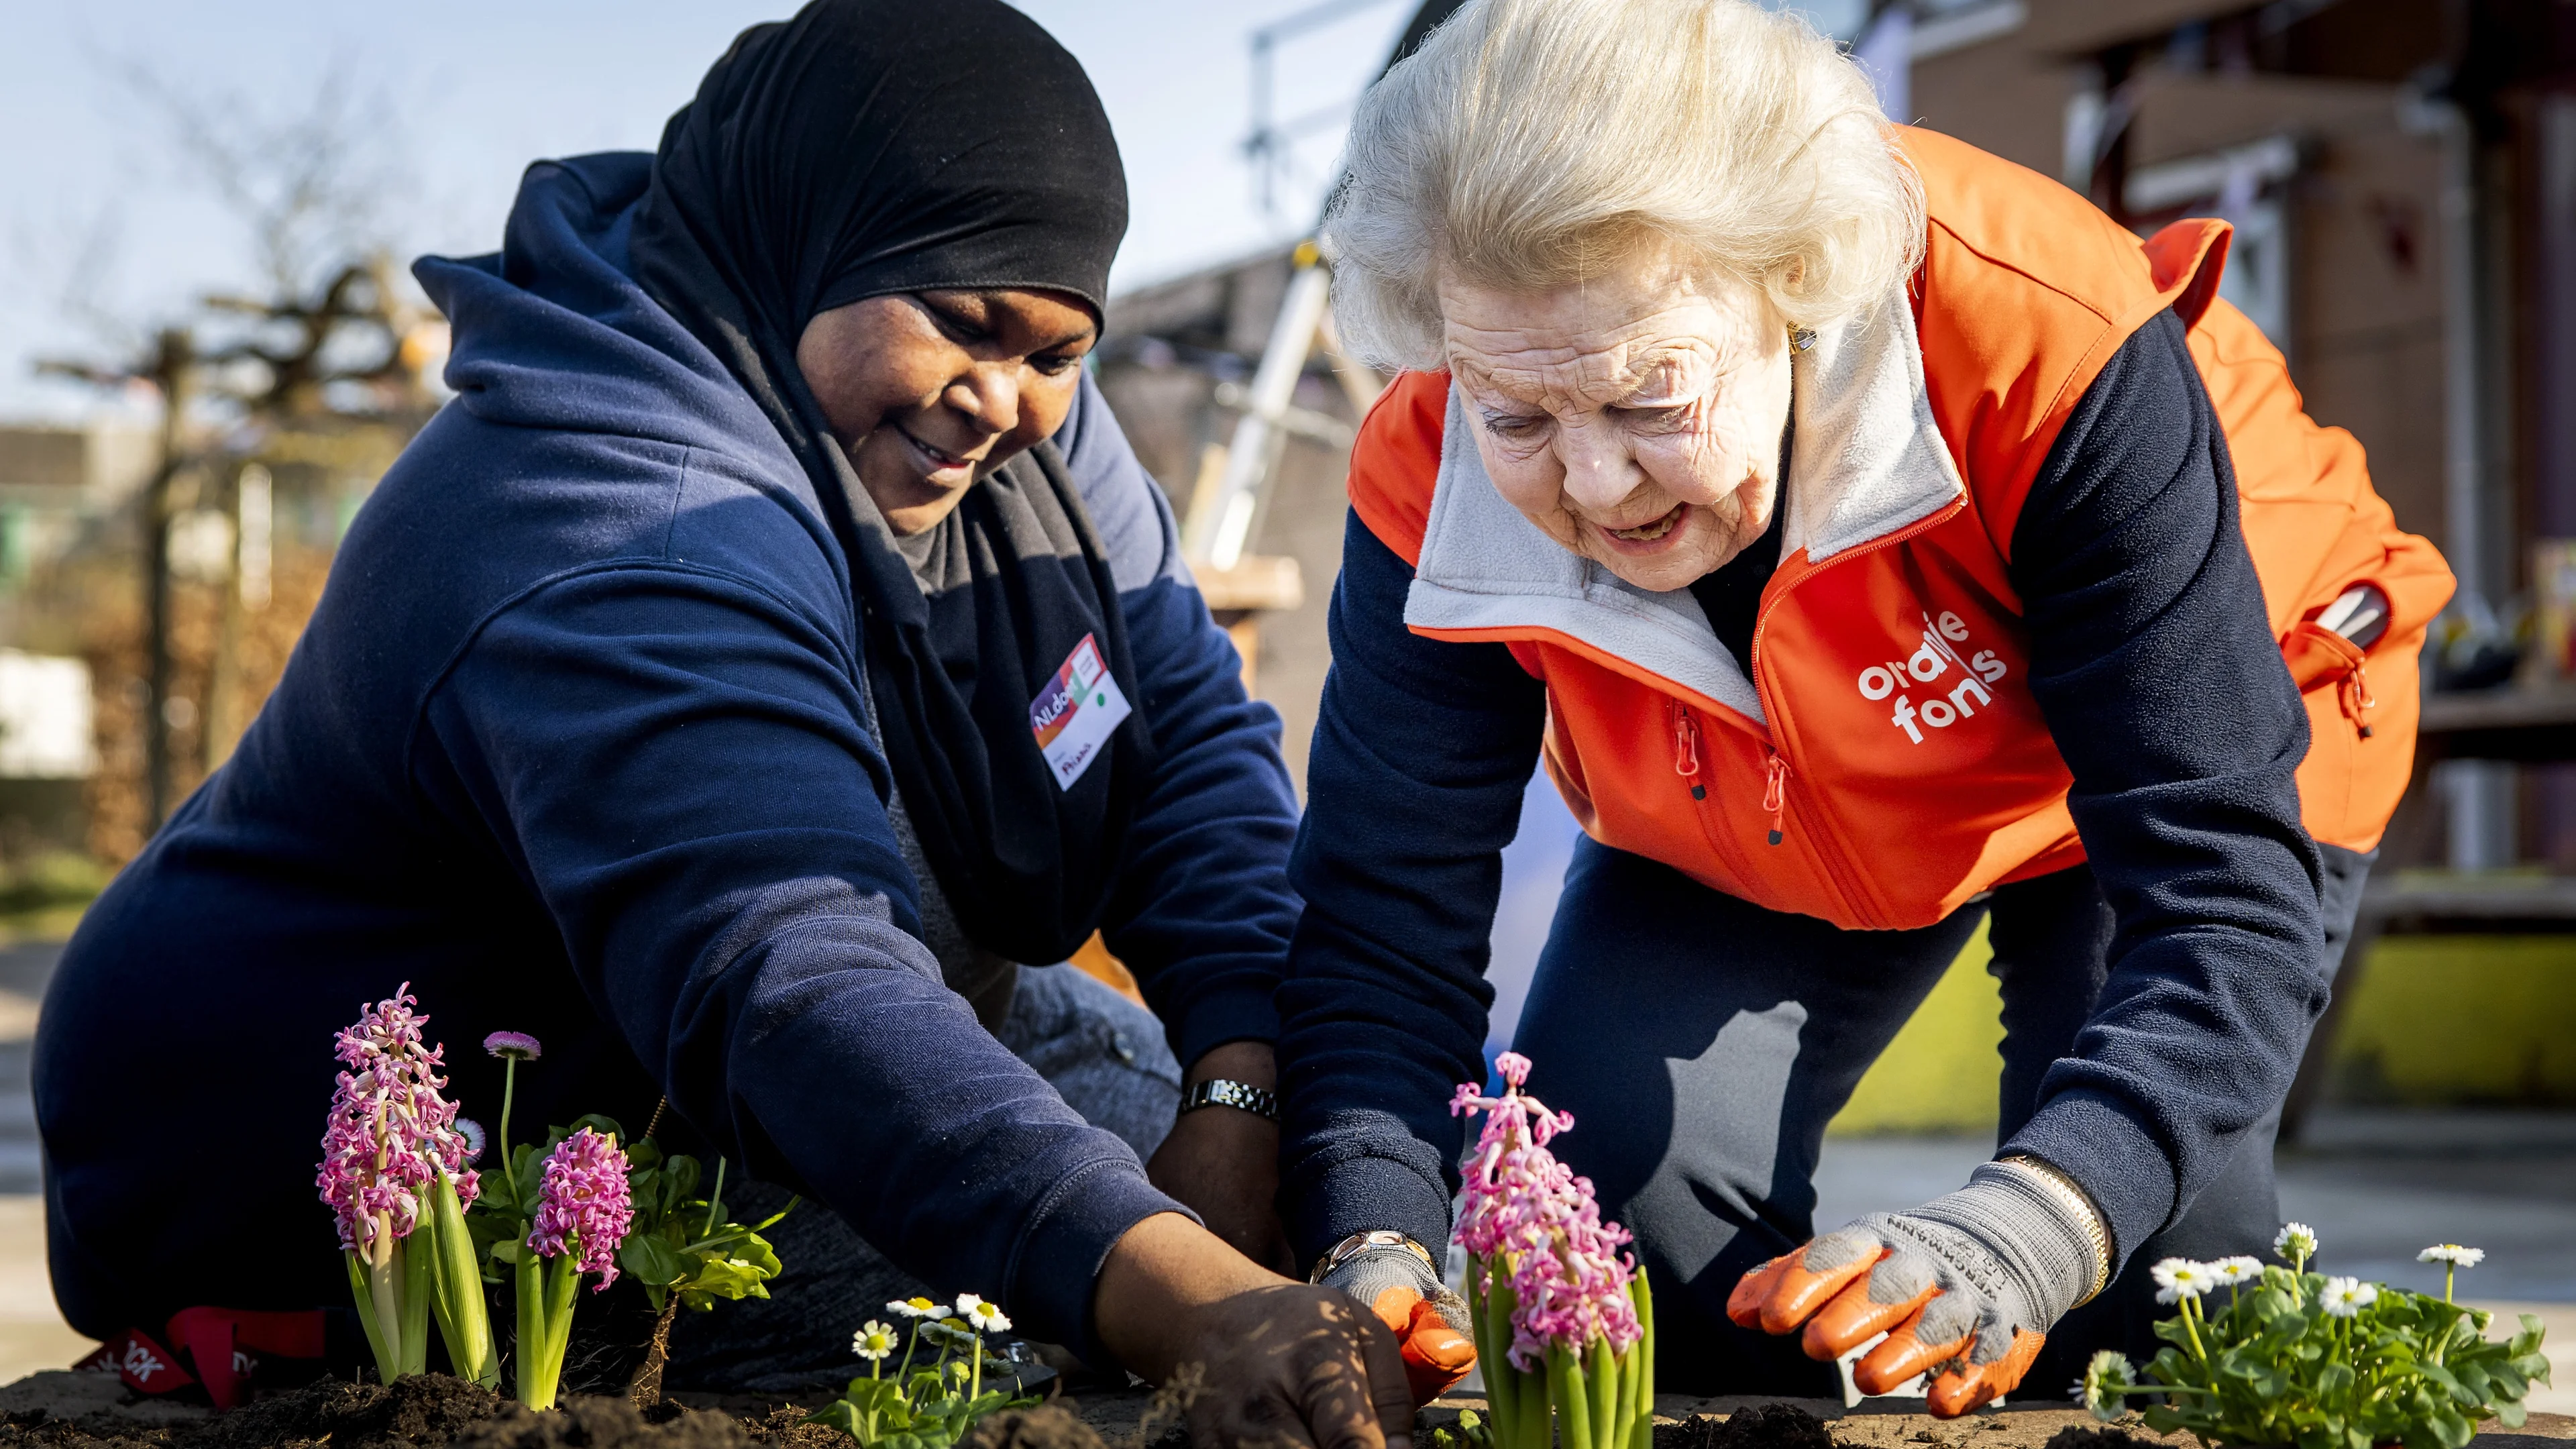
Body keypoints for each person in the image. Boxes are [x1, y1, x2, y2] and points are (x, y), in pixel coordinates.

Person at [36, 3, 1407, 1440]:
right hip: (398, 1149)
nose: (1004, 400)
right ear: (810, 236)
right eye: (961, 323)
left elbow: (1180, 728)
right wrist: (1193, 1304)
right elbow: (794, 980)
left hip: (766, 1055)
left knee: (1298, 1191)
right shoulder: (618, 514)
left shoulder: (1020, 425)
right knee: (990, 1336)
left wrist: (1239, 1092)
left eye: (1058, 347)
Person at [1277, 0, 2453, 1415]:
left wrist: (2035, 1224)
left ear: (1795, 285)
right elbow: (1378, 913)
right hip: (1768, 787)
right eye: (1518, 418)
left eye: (1652, 400)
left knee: (2146, 1297)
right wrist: (1372, 1229)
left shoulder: (2045, 338)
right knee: (1613, 1262)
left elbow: (2220, 889)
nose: (1592, 491)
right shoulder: (1428, 462)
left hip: (2175, 753)